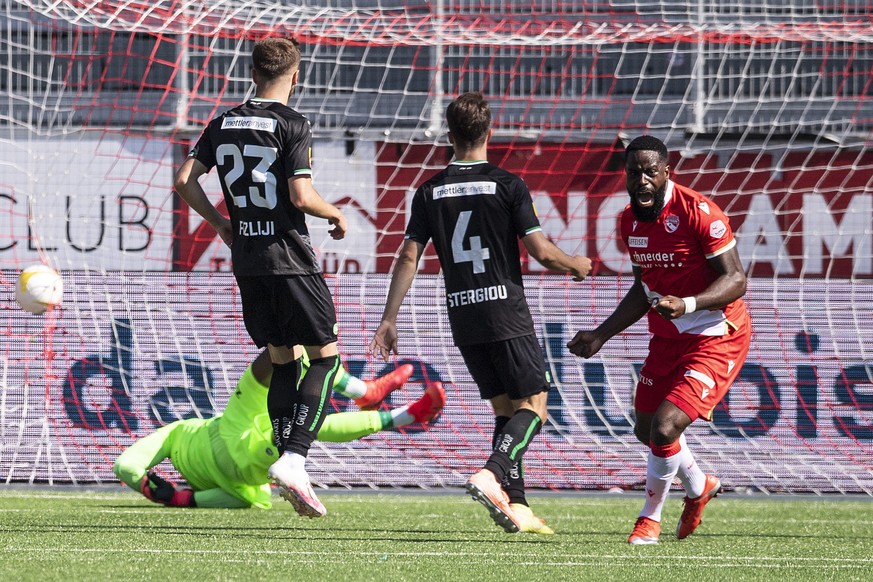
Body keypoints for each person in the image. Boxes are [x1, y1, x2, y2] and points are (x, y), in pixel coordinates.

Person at [369, 92, 592, 535]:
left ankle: (519, 505)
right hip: (505, 311)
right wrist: (576, 265)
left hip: (464, 316)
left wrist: (389, 318)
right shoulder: (507, 184)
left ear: (449, 137)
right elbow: (541, 252)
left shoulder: (429, 191)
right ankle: (491, 474)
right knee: (535, 408)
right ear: (490, 132)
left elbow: (408, 257)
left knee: (506, 412)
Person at [174, 37, 347, 518]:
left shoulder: (222, 121)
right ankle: (294, 458)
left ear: (253, 75)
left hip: (248, 261)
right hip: (290, 258)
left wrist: (219, 222)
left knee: (282, 359)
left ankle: (287, 456)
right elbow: (300, 196)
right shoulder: (292, 123)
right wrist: (336, 215)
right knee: (325, 359)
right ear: (296, 76)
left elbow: (185, 180)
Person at [567, 135, 751, 544]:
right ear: (626, 175)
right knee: (646, 429)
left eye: (651, 172)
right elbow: (642, 287)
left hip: (715, 334)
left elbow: (736, 278)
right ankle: (699, 485)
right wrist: (601, 334)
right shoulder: (627, 220)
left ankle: (649, 519)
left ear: (667, 171)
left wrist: (687, 304)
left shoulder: (700, 212)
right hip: (667, 336)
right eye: (635, 173)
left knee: (666, 428)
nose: (643, 180)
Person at [113, 350, 445, 509]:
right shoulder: (239, 487)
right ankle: (382, 401)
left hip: (237, 439)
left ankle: (383, 402)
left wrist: (175, 498)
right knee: (297, 362)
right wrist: (179, 498)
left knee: (291, 351)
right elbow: (252, 500)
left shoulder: (178, 438)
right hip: (241, 440)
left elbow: (126, 467)